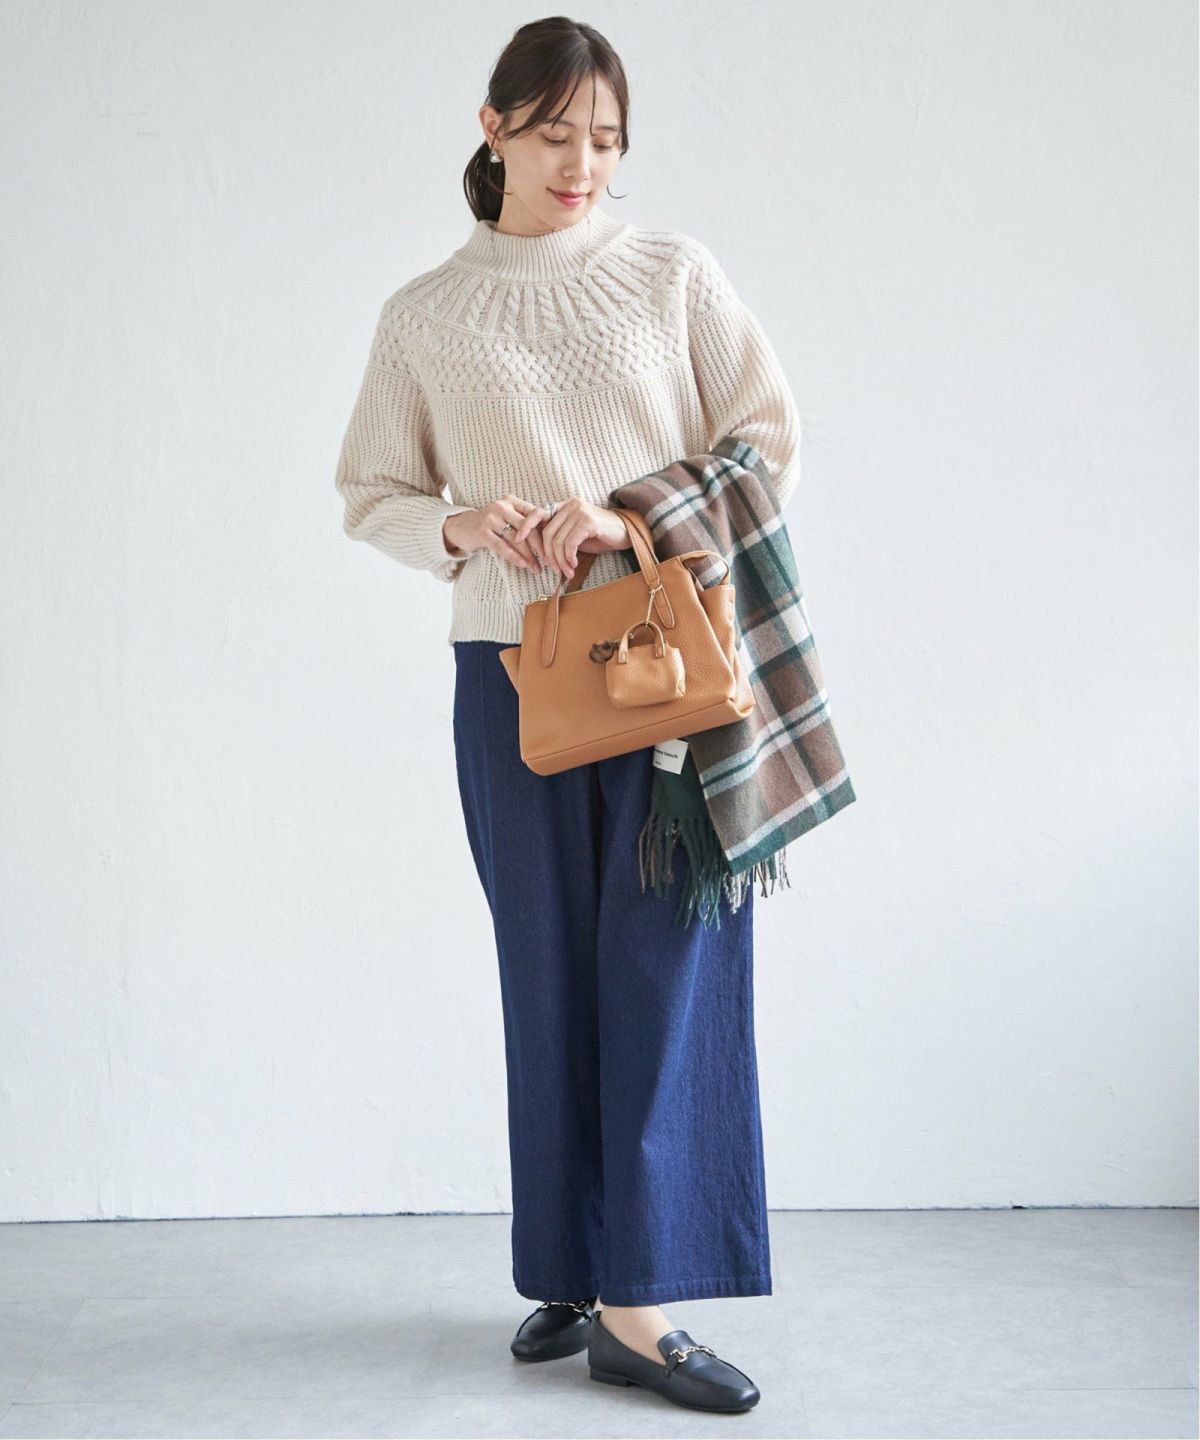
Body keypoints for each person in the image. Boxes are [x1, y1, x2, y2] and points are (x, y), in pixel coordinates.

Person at [333, 17, 803, 1416]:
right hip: (512, 675)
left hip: (666, 676)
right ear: (493, 129)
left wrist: (622, 515)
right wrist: (465, 525)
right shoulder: (425, 315)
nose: (581, 164)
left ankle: (638, 1308)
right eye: (553, 136)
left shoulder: (671, 276)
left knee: (665, 969)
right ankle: (575, 1267)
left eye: (604, 140)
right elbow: (371, 493)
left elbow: (766, 445)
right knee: (543, 978)